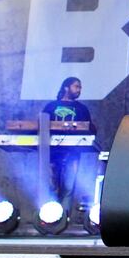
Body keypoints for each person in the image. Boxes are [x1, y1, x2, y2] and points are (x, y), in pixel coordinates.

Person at [41, 77, 92, 212]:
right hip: (52, 153)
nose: (79, 90)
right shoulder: (51, 106)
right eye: (76, 86)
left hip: (72, 152)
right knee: (51, 185)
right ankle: (49, 216)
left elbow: (90, 128)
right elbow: (41, 125)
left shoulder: (82, 109)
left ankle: (63, 217)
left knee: (68, 186)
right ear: (66, 88)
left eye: (80, 87)